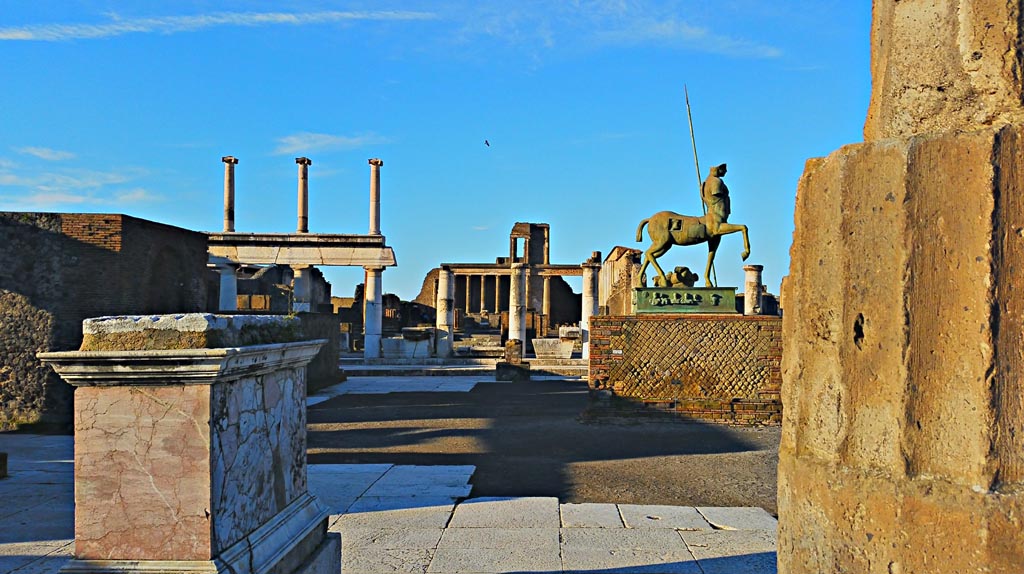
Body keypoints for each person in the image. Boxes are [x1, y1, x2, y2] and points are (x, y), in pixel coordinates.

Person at [700, 163, 730, 235]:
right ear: (718, 170)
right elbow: (716, 193)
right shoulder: (716, 181)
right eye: (723, 169)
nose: (726, 171)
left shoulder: (707, 181)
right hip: (716, 214)